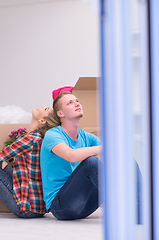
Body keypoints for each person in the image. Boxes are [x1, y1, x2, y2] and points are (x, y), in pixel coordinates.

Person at [40, 89, 102, 220]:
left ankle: (142, 207)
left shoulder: (85, 136)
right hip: (61, 207)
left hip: (85, 205)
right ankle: (122, 206)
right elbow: (72, 155)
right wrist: (101, 149)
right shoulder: (53, 135)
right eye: (70, 103)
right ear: (60, 113)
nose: (77, 104)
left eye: (77, 101)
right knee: (90, 162)